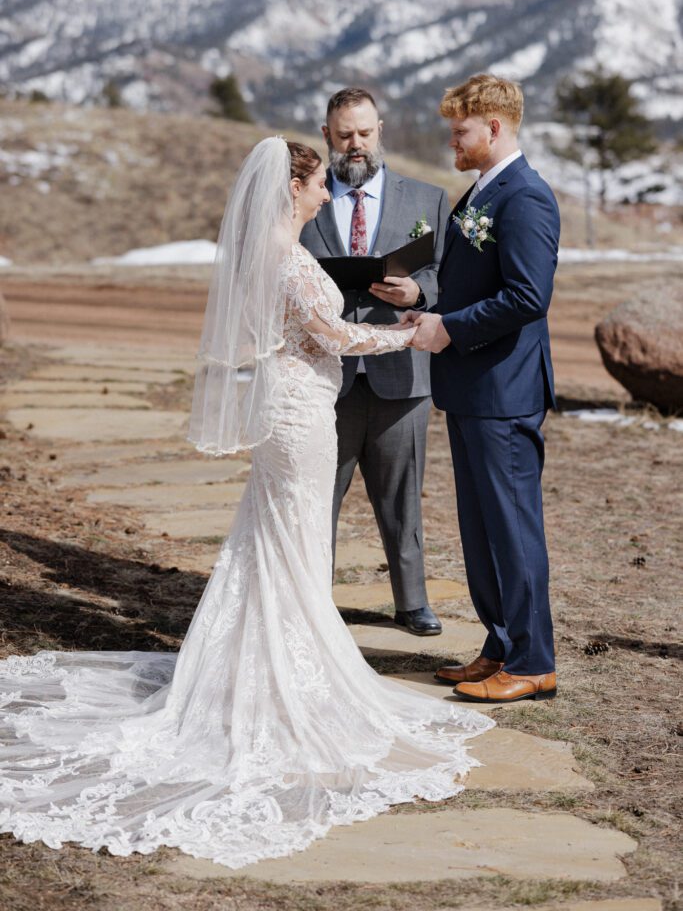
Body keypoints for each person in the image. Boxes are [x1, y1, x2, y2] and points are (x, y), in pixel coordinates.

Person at [0, 137, 491, 868]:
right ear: (292, 185)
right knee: (289, 544)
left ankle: (256, 664)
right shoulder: (287, 258)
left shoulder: (274, 246)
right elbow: (329, 333)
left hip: (288, 409)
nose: (327, 194)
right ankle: (285, 682)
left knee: (270, 543)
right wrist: (413, 335)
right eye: (319, 183)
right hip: (298, 418)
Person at [404, 74, 560, 703]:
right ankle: (500, 644)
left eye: (461, 131)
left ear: (494, 128)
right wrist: (424, 304)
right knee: (481, 529)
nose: (453, 141)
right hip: (470, 387)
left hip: (504, 391)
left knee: (513, 528)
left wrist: (449, 329)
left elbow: (528, 296)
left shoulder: (525, 198)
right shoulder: (478, 195)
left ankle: (533, 661)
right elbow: (470, 283)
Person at [300, 88, 449, 635]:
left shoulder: (428, 199)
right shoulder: (305, 200)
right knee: (317, 497)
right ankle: (313, 601)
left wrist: (417, 294)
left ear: (380, 129)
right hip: (325, 375)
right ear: (326, 135)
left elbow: (443, 273)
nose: (355, 145)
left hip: (403, 374)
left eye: (364, 133)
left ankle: (413, 603)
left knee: (402, 496)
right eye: (344, 136)